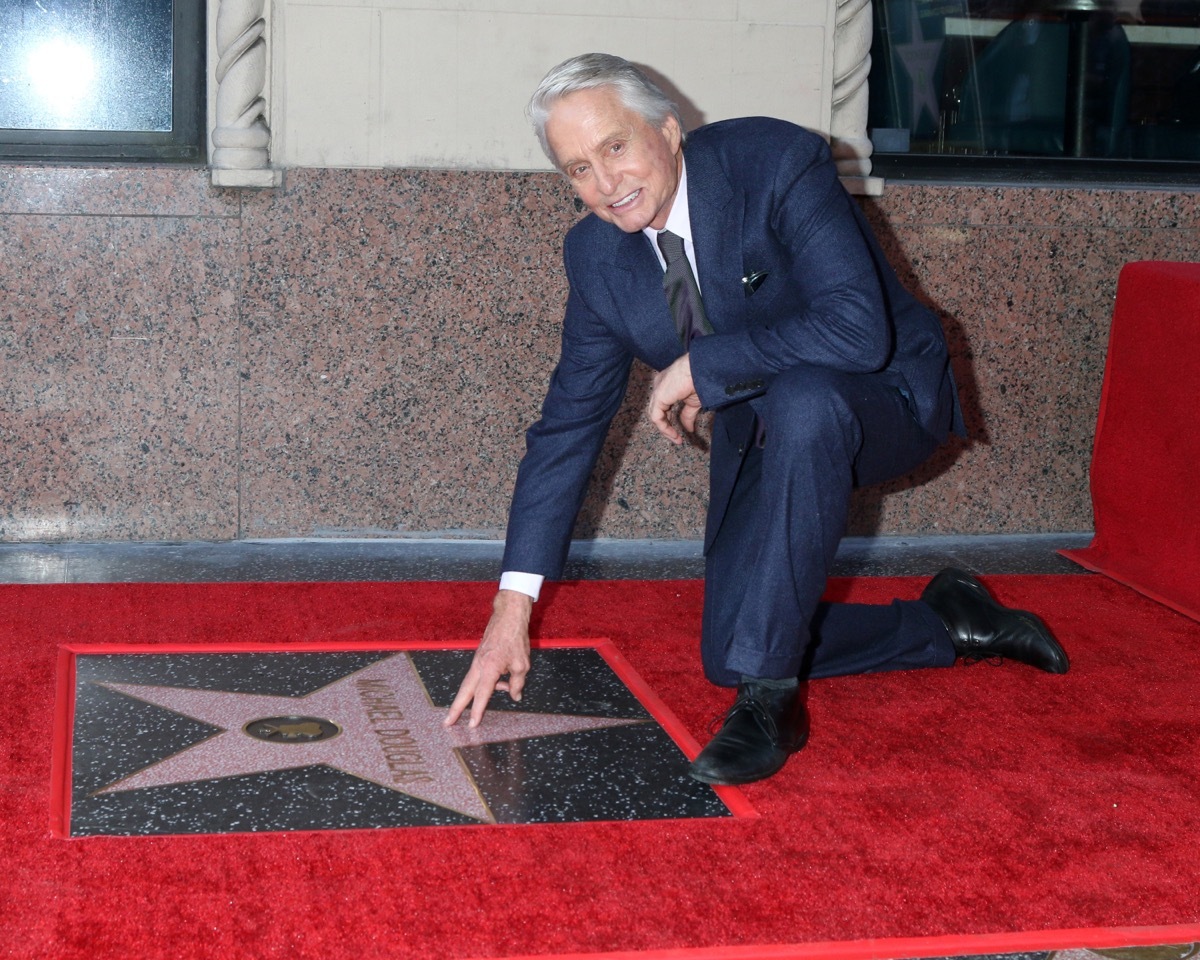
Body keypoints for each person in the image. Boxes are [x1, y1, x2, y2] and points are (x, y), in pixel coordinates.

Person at [444, 53, 1068, 785]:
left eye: (615, 147)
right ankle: (946, 619)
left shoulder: (772, 161)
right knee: (727, 651)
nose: (606, 184)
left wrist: (701, 368)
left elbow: (857, 330)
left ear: (668, 130)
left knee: (805, 405)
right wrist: (510, 610)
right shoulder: (597, 258)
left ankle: (772, 703)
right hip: (767, 428)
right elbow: (565, 430)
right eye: (577, 169)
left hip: (883, 396)